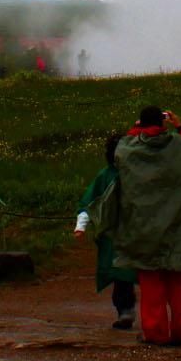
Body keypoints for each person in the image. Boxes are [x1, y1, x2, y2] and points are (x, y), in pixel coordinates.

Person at [108, 104, 181, 346]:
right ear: (163, 123)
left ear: (140, 124)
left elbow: (121, 149)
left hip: (144, 226)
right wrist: (180, 126)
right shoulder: (180, 146)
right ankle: (180, 331)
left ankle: (155, 332)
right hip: (177, 227)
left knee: (151, 282)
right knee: (178, 281)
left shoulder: (131, 151)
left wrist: (136, 128)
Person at [73, 132, 139, 329]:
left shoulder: (134, 173)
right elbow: (91, 202)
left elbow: (89, 202)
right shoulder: (112, 175)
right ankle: (126, 310)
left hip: (133, 231)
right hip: (118, 233)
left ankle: (128, 311)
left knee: (126, 274)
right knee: (122, 274)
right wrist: (81, 226)